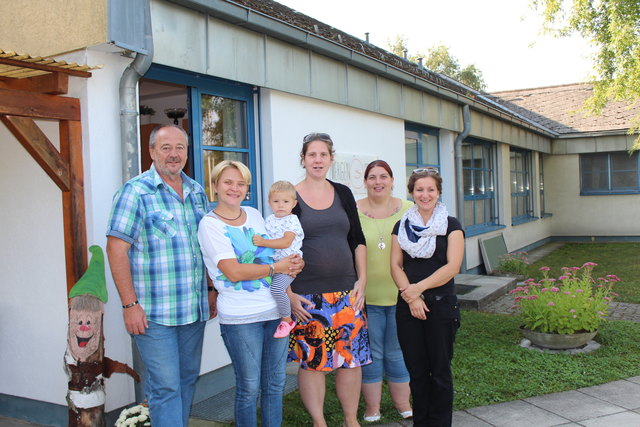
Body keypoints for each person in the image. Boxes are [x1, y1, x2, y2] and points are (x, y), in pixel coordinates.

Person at [106, 125, 215, 427]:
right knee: (166, 387)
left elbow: (204, 246)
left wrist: (210, 288)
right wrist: (130, 305)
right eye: (166, 147)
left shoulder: (196, 192)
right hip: (154, 314)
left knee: (187, 380)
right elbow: (116, 250)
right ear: (152, 152)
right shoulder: (135, 192)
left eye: (180, 147)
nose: (174, 154)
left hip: (193, 310)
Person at [197, 160, 303, 427]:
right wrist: (276, 267)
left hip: (274, 311)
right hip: (240, 317)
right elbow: (233, 272)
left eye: (240, 183)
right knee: (249, 386)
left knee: (275, 382)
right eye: (228, 182)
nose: (235, 188)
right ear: (215, 187)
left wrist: (293, 264)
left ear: (247, 189)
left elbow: (276, 253)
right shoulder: (210, 225)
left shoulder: (255, 215)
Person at [288, 132, 371, 427]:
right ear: (303, 159)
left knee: (351, 360)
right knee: (313, 363)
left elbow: (357, 240)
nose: (318, 160)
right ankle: (319, 422)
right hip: (309, 296)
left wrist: (362, 280)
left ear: (331, 159)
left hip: (349, 293)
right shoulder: (291, 196)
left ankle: (351, 420)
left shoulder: (344, 194)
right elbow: (279, 249)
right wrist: (287, 292)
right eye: (312, 155)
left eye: (323, 155)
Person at [390, 168, 464, 427]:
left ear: (438, 192)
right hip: (409, 308)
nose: (425, 194)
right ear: (411, 192)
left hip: (442, 307)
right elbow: (396, 266)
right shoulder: (401, 226)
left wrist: (417, 289)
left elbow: (452, 267)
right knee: (417, 373)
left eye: (430, 189)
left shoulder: (451, 225)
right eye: (419, 189)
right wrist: (411, 299)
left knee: (440, 373)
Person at [356, 160, 413, 422]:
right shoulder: (352, 211)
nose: (378, 182)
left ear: (392, 180)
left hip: (402, 295)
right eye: (372, 177)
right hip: (366, 297)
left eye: (383, 176)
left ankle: (404, 404)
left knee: (396, 351)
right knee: (372, 354)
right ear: (365, 181)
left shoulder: (409, 210)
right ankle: (372, 408)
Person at [252, 180, 304, 338]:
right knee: (269, 289)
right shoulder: (269, 220)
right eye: (276, 201)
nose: (281, 205)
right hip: (274, 264)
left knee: (276, 289)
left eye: (285, 201)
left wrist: (263, 242)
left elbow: (286, 241)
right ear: (269, 203)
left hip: (289, 264)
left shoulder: (292, 220)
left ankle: (286, 320)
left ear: (294, 203)